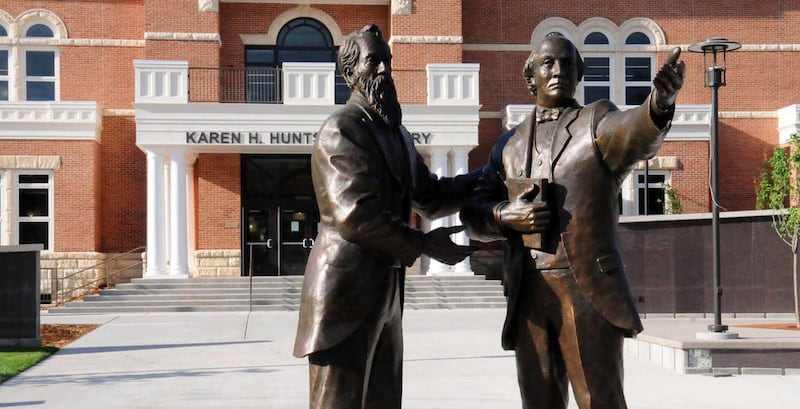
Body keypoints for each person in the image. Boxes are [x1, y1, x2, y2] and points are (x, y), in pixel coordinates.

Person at [459, 33, 684, 409]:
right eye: (548, 63)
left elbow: (634, 130)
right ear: (530, 77)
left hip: (586, 287)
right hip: (529, 290)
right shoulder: (508, 144)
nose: (558, 70)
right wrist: (503, 215)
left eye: (567, 63)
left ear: (579, 74)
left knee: (598, 398)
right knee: (538, 398)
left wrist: (658, 105)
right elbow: (473, 212)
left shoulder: (596, 121)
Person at [293, 24, 477, 409]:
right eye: (373, 61)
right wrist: (426, 245)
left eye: (387, 62)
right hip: (343, 301)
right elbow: (355, 215)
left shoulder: (399, 136)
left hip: (386, 301)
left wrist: (488, 177)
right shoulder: (340, 130)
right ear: (350, 73)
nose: (383, 71)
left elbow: (430, 196)